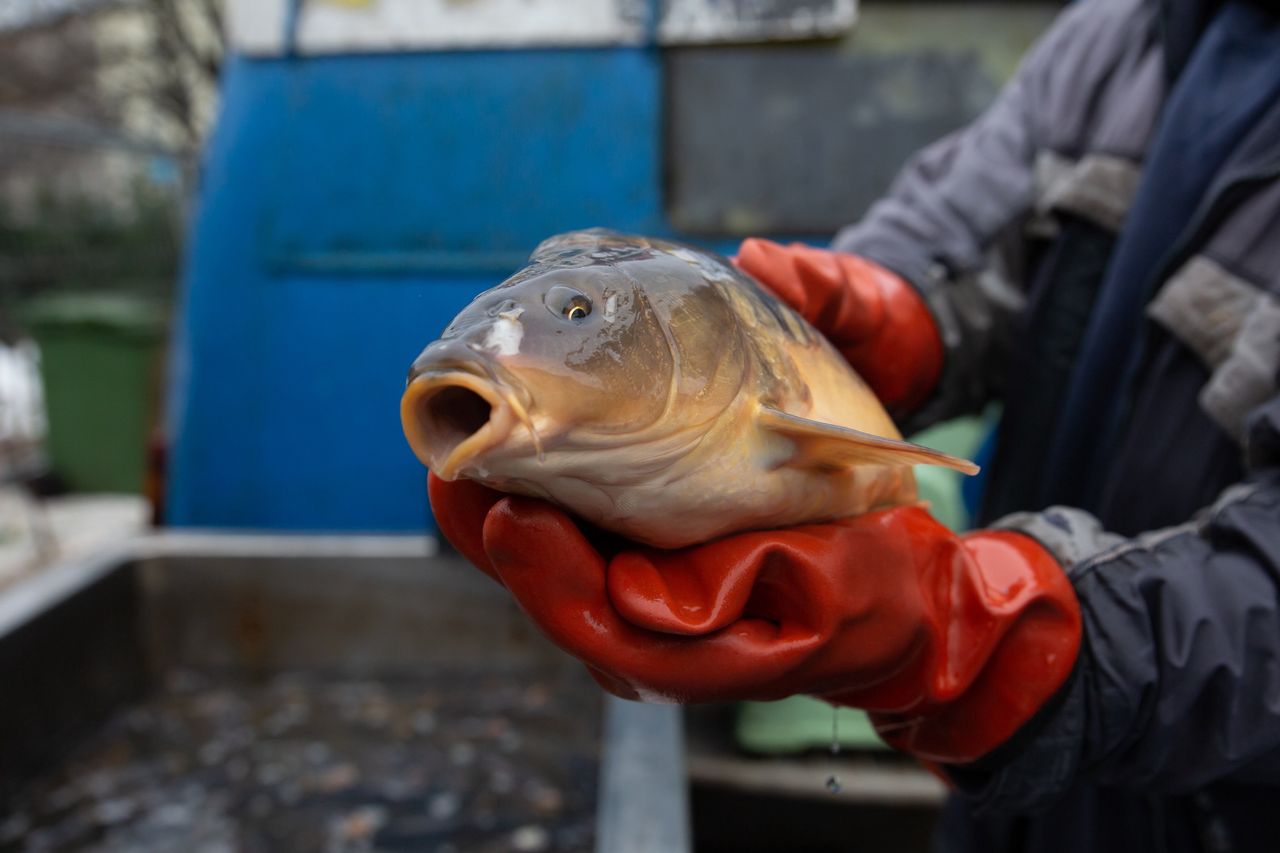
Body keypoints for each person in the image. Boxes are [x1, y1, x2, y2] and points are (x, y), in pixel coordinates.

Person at [429, 0, 1280, 849]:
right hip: (1014, 793)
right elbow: (961, 223)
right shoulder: (1123, 33)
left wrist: (1000, 640)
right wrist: (900, 304)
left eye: (579, 312)